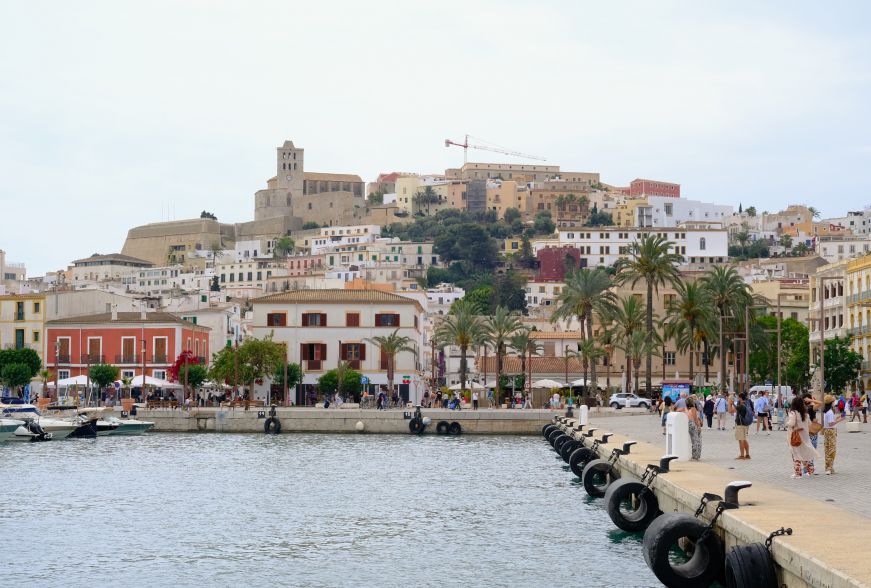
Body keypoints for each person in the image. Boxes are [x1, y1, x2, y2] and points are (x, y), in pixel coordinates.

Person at [786, 396, 819, 478]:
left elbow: (791, 423)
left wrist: (786, 423)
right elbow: (809, 424)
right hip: (804, 437)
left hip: (795, 437)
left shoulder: (793, 413)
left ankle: (798, 474)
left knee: (796, 454)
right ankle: (811, 469)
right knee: (804, 454)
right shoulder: (805, 414)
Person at [823, 394, 845, 475]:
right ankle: (829, 468)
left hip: (826, 431)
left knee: (827, 449)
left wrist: (837, 418)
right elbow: (831, 423)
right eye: (833, 401)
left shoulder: (825, 411)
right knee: (832, 450)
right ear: (831, 402)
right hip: (831, 431)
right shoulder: (830, 412)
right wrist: (840, 420)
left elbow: (829, 422)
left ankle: (828, 467)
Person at [731, 391, 753, 460]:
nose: (737, 399)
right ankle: (747, 454)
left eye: (738, 397)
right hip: (745, 424)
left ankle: (742, 455)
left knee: (741, 440)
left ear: (740, 398)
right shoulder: (747, 403)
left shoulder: (741, 406)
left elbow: (731, 410)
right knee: (744, 439)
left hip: (740, 424)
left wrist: (730, 403)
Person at [686, 395, 703, 460]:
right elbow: (695, 419)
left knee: (693, 440)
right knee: (697, 440)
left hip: (689, 424)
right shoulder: (693, 409)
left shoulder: (686, 409)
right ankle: (696, 455)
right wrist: (698, 427)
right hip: (693, 424)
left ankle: (694, 455)